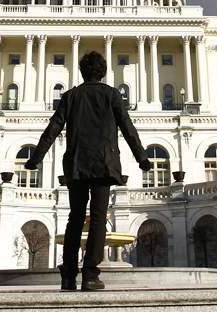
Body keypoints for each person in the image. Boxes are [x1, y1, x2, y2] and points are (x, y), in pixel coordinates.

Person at [24, 50, 151, 291]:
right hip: (103, 164)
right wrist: (142, 158)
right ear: (102, 72)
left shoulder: (71, 96)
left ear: (82, 72)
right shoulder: (112, 95)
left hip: (77, 164)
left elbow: (53, 128)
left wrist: (35, 158)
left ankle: (69, 274)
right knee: (98, 219)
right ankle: (91, 274)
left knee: (75, 218)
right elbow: (128, 128)